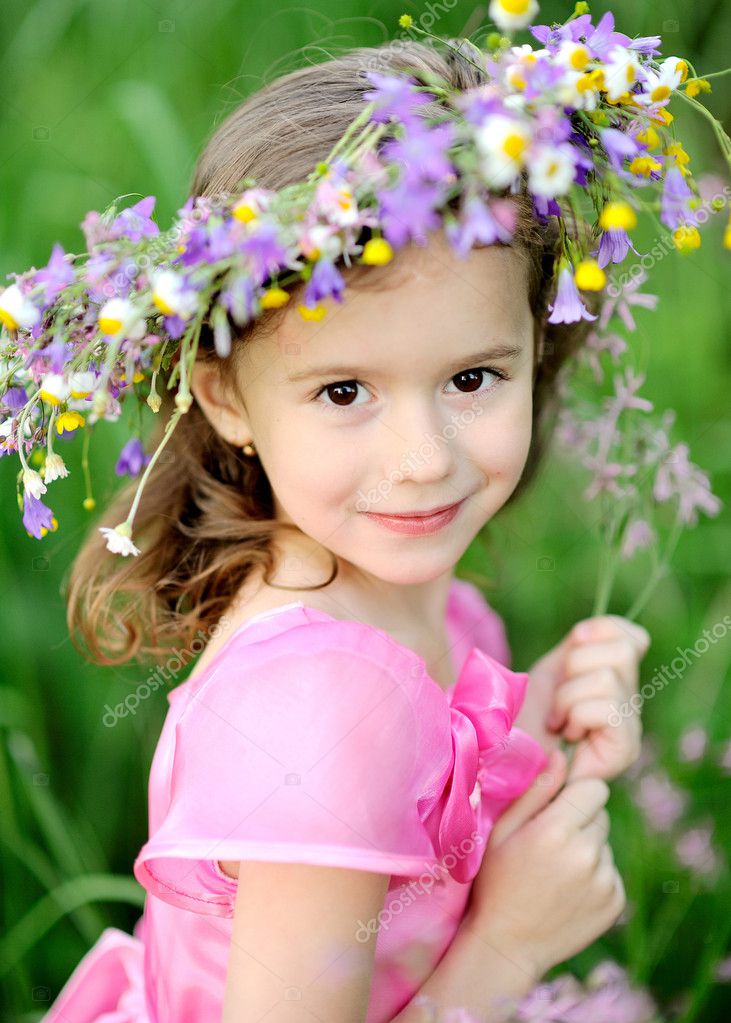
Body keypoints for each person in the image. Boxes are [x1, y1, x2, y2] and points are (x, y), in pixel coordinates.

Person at [40, 38, 653, 1023]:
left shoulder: (378, 576)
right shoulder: (321, 710)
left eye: (469, 378)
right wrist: (506, 942)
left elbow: (422, 805)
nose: (421, 459)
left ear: (536, 348)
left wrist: (549, 710)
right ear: (226, 399)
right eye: (342, 390)